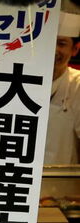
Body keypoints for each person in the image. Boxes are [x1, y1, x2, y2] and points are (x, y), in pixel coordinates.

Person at [45, 11, 80, 164]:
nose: (54, 50)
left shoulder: (78, 84)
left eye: (62, 43)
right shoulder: (19, 79)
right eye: (49, 42)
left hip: (63, 181)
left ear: (75, 49)